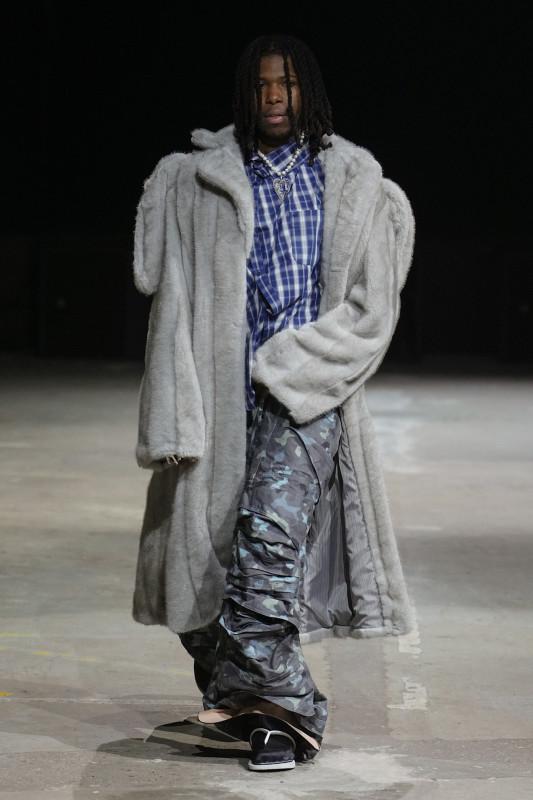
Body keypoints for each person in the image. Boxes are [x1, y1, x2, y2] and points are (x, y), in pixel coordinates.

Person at [131, 32, 415, 772]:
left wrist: (299, 366)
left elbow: (371, 309)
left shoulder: (354, 182)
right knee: (200, 567)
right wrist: (171, 408)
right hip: (220, 394)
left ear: (307, 90)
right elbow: (171, 303)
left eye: (286, 83)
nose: (274, 97)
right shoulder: (197, 181)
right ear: (245, 93)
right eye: (261, 84)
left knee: (266, 548)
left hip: (307, 393)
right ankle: (238, 697)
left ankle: (287, 712)